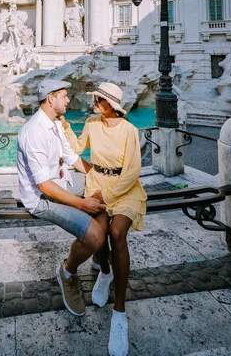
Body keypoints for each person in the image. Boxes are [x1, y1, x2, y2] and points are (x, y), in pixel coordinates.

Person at [60, 82, 147, 356]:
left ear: (112, 105)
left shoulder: (130, 130)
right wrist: (63, 124)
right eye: (96, 99)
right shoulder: (91, 123)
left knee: (117, 234)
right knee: (98, 237)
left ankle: (119, 312)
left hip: (125, 190)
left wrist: (108, 196)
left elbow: (132, 172)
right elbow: (77, 146)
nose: (94, 102)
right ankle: (105, 273)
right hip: (96, 184)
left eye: (99, 100)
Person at [17, 79, 107, 317]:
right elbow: (44, 185)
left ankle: (99, 255)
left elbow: (72, 158)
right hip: (42, 199)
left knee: (105, 196)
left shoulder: (55, 124)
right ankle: (67, 272)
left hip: (62, 184)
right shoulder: (34, 131)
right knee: (96, 234)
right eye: (64, 96)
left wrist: (98, 178)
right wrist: (82, 203)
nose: (68, 100)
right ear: (50, 99)